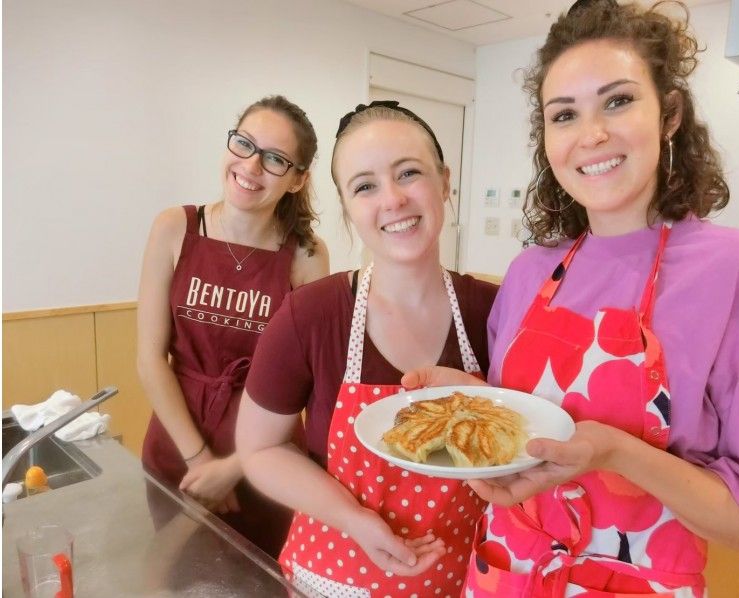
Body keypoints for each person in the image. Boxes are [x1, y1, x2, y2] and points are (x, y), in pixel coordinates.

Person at [402, 1, 739, 595]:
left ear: (669, 115)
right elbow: (532, 426)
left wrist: (615, 453)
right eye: (564, 115)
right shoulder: (528, 272)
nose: (591, 134)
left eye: (618, 101)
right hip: (504, 574)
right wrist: (477, 405)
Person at [236, 101, 498, 597]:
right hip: (334, 578)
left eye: (409, 173)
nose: (393, 199)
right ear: (348, 206)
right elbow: (260, 449)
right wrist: (353, 518)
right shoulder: (308, 316)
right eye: (365, 186)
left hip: (466, 579)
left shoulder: (495, 313)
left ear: (444, 182)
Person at [137, 95, 329, 558]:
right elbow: (149, 359)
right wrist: (200, 460)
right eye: (244, 143)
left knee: (258, 581)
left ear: (298, 179)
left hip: (266, 462)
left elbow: (307, 386)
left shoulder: (306, 255)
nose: (251, 165)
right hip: (175, 449)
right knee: (176, 581)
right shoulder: (174, 227)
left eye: (275, 159)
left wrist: (237, 466)